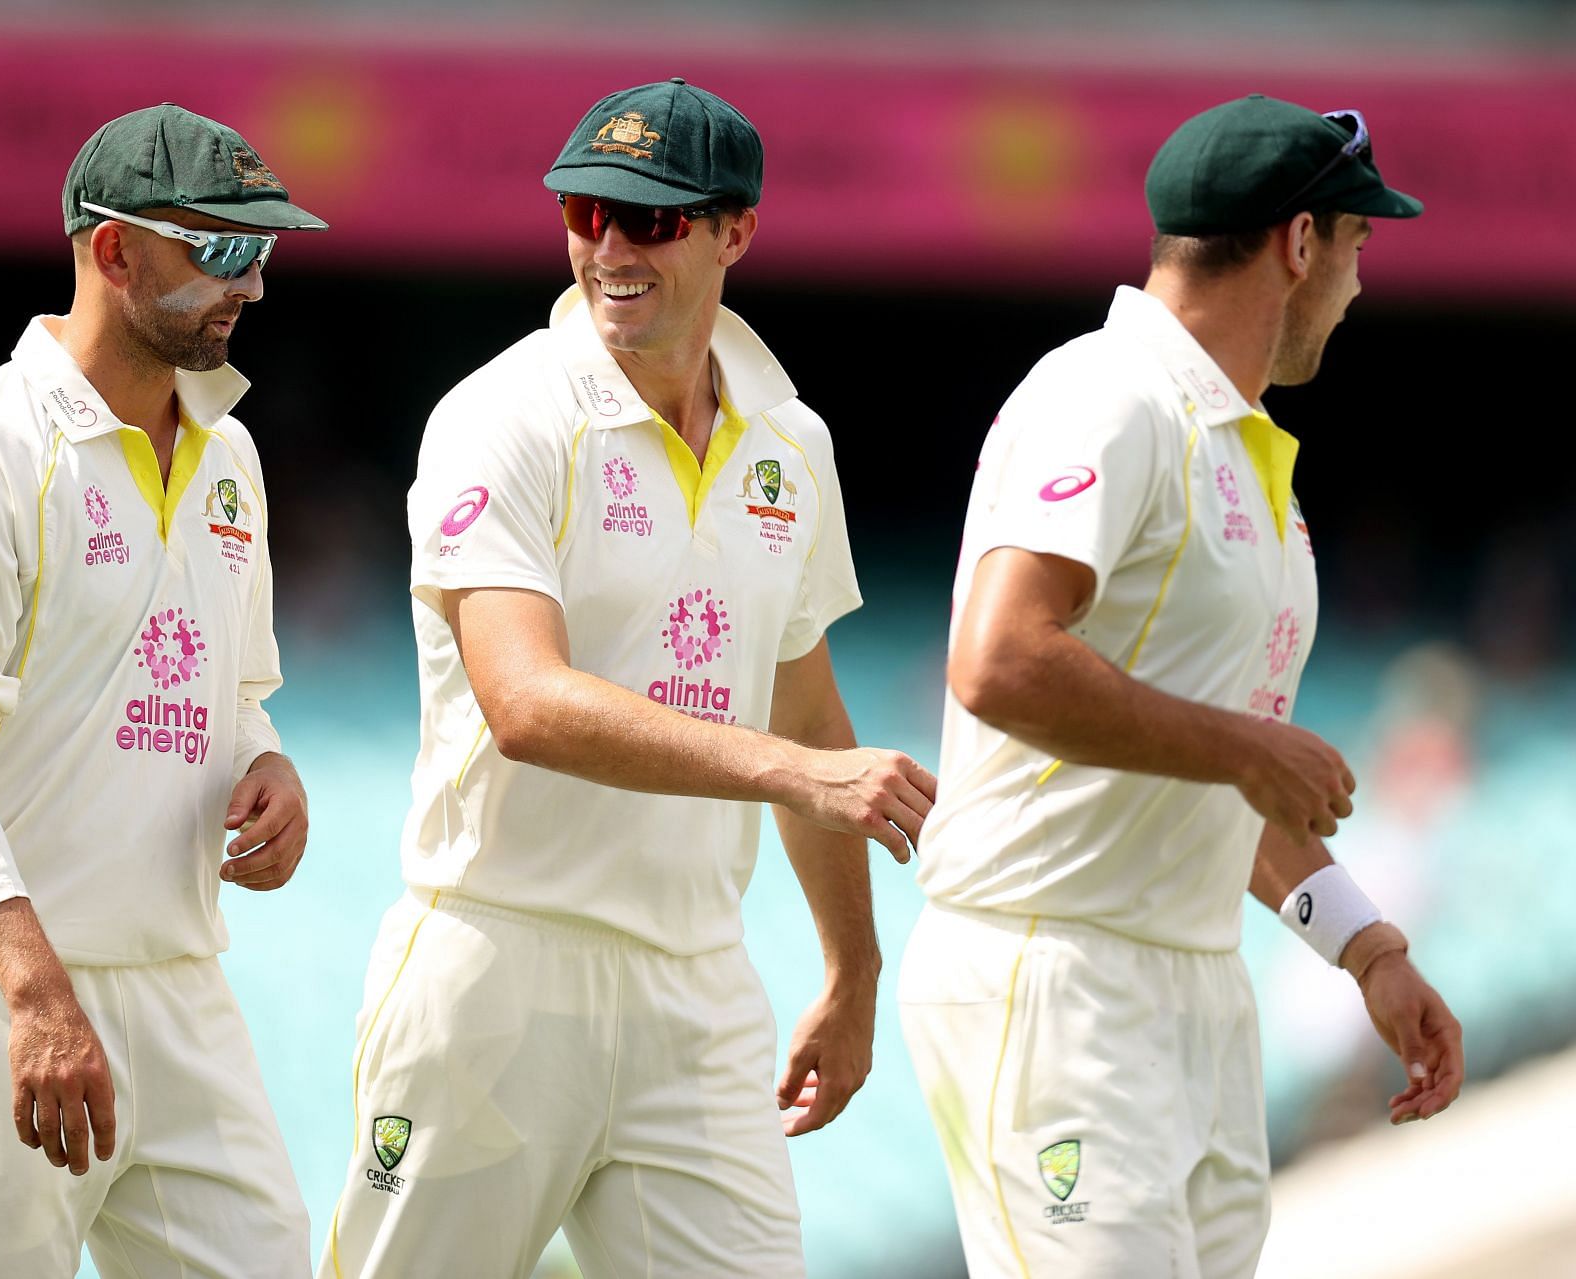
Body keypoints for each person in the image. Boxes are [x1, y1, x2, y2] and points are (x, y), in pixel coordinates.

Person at [317, 78, 936, 1279]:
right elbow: (526, 704)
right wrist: (791, 772)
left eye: (649, 219)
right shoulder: (502, 414)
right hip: (498, 967)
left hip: (697, 987)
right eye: (586, 210)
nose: (607, 246)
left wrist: (853, 974)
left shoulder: (791, 443)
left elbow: (803, 702)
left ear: (734, 231)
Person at [898, 94, 1466, 1279]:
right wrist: (1245, 747)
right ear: (1299, 243)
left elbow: (1208, 770)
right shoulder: (1106, 393)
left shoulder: (1248, 455)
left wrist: (1367, 948)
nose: (1359, 288)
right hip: (1055, 971)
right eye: (1357, 246)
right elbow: (1000, 660)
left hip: (1193, 986)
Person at [0, 103, 326, 1278]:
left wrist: (265, 764)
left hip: (178, 986)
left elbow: (237, 692)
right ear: (113, 250)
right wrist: (35, 989)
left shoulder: (231, 455)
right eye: (221, 250)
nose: (254, 285)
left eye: (262, 251)